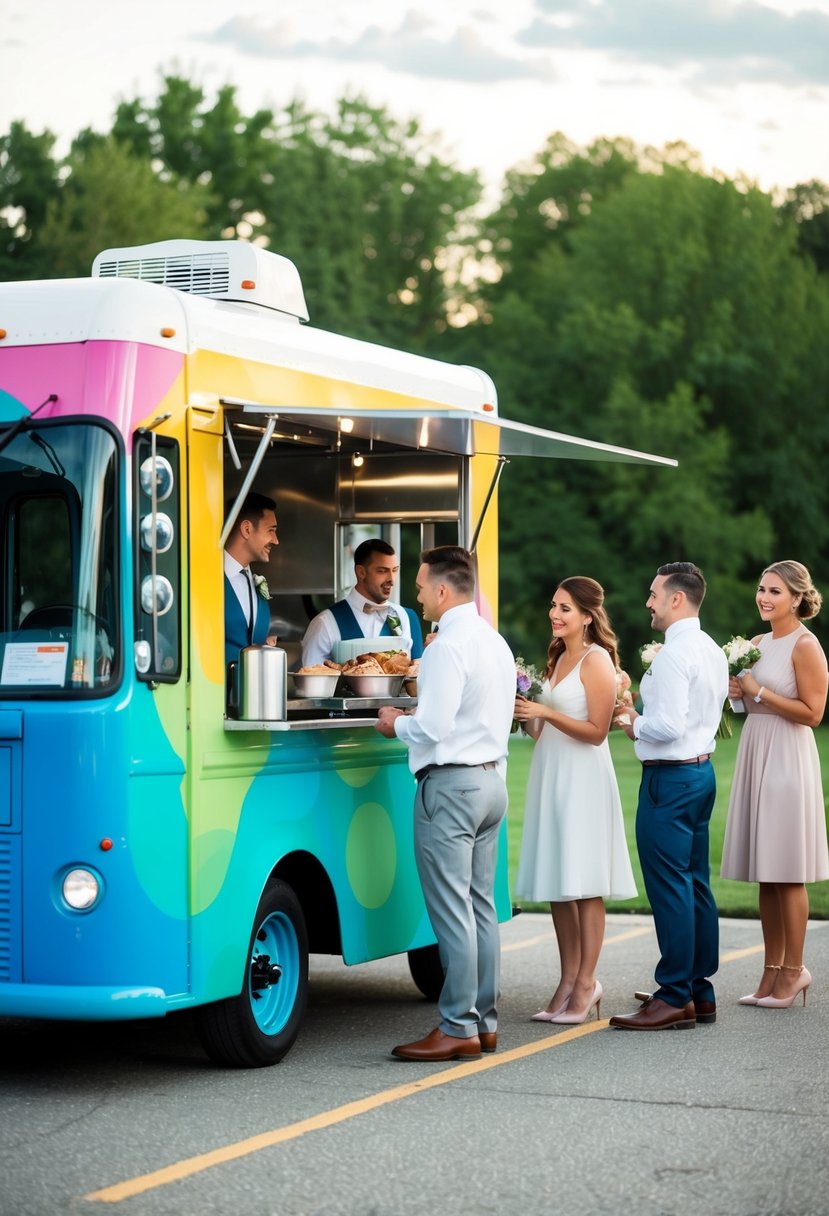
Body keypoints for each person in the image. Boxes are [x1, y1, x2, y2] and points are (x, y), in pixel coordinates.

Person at [374, 546, 515, 1061]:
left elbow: (432, 726)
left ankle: (457, 1026)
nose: (415, 594)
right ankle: (484, 1022)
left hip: (451, 789)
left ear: (441, 589)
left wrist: (394, 723)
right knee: (480, 909)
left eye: (418, 585)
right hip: (490, 783)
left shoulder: (445, 647)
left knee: (453, 913)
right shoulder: (494, 642)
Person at [609, 562, 728, 1031]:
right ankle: (700, 989)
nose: (648, 602)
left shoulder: (675, 654)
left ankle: (674, 994)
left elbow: (669, 726)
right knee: (695, 882)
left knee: (670, 886)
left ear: (677, 599)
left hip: (672, 782)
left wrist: (631, 721)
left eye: (654, 594)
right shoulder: (712, 649)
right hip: (700, 775)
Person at [513, 577, 637, 1025]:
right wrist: (524, 713)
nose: (555, 614)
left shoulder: (596, 659)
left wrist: (545, 710)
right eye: (553, 605)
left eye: (565, 608)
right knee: (560, 888)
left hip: (584, 777)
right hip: (551, 773)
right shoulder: (557, 657)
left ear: (587, 616)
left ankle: (588, 982)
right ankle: (566, 980)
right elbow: (541, 730)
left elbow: (597, 732)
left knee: (583, 884)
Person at [720, 560, 829, 1008]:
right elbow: (752, 705)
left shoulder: (806, 646)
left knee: (787, 871)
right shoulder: (757, 643)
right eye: (762, 589)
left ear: (798, 597)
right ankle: (769, 971)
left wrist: (758, 692)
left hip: (787, 756)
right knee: (766, 873)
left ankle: (794, 970)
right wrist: (738, 695)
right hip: (756, 749)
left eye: (775, 591)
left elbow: (813, 713)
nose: (764, 597)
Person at [301, 539, 424, 667]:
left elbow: (417, 679)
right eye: (382, 571)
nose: (391, 580)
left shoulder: (408, 618)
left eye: (394, 570)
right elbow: (312, 682)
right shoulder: (325, 623)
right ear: (361, 572)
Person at [224, 492, 279, 667]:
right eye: (271, 530)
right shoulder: (204, 578)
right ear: (247, 529)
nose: (275, 540)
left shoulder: (254, 582)